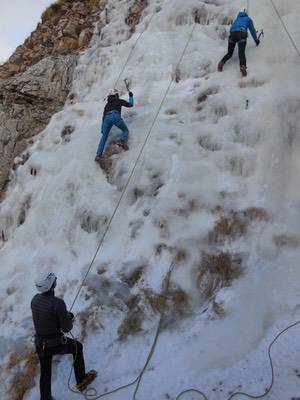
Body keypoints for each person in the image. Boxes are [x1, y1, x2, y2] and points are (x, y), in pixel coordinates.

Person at [31, 272, 97, 400]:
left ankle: (45, 398)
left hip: (40, 344)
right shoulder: (58, 303)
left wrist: (62, 315)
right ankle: (81, 380)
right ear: (52, 285)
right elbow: (67, 328)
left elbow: (46, 315)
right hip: (54, 344)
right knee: (77, 347)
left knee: (45, 372)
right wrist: (68, 317)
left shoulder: (34, 300)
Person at [95, 88, 134, 163]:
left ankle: (98, 155)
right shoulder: (118, 100)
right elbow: (130, 105)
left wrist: (102, 129)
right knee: (125, 130)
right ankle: (122, 141)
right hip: (115, 115)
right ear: (115, 95)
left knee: (104, 137)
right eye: (117, 94)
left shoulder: (107, 105)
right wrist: (131, 96)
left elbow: (103, 117)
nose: (118, 95)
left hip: (106, 118)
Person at [218, 8, 260, 76]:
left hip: (232, 35)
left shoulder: (236, 19)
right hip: (241, 34)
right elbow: (252, 31)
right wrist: (256, 40)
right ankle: (242, 67)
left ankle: (221, 62)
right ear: (246, 13)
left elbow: (232, 29)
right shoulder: (248, 19)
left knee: (229, 53)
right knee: (241, 53)